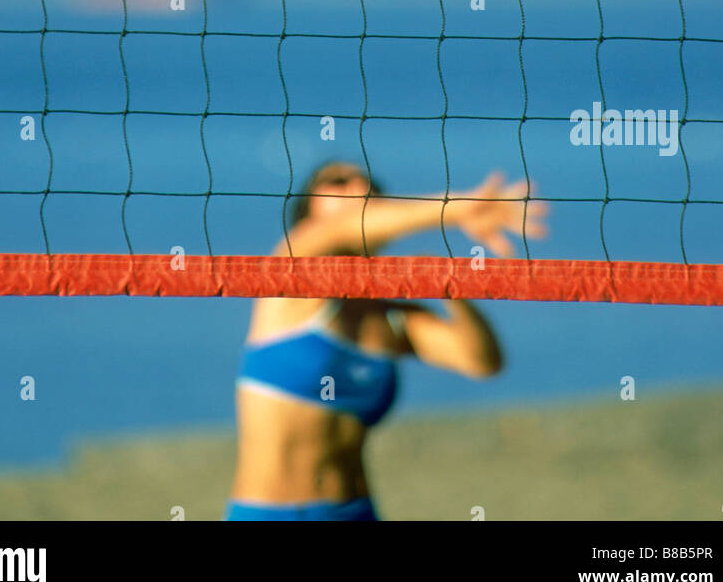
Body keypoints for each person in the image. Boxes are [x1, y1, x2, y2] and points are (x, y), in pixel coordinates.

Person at [226, 160, 548, 520]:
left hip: (357, 511)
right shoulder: (291, 271)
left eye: (367, 183)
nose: (357, 186)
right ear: (308, 211)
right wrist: (461, 206)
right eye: (337, 181)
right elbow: (340, 228)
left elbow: (483, 362)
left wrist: (450, 289)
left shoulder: (389, 318)